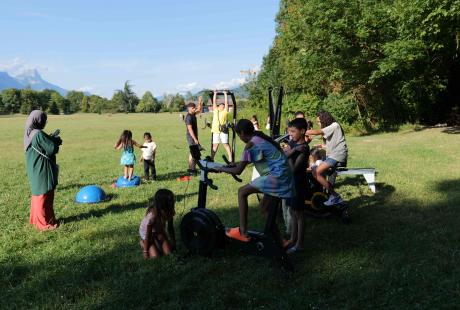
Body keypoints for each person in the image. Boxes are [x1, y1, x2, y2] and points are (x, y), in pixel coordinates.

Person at [215, 119, 295, 242]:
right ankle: (280, 241)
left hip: (277, 177)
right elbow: (249, 161)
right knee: (264, 207)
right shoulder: (260, 138)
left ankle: (243, 231)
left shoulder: (251, 145)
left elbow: (238, 171)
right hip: (284, 175)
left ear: (242, 133)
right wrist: (233, 165)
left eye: (238, 135)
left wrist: (221, 168)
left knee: (242, 192)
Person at [24, 110, 62, 230]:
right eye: (43, 119)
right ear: (39, 120)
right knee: (44, 195)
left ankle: (36, 220)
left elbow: (41, 145)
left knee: (37, 195)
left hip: (35, 168)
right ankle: (44, 224)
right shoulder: (38, 133)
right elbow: (51, 149)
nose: (44, 122)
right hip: (42, 169)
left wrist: (49, 138)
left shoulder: (29, 132)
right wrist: (56, 141)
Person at [306, 111, 348, 206]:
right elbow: (333, 143)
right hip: (333, 155)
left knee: (316, 172)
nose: (319, 124)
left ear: (325, 119)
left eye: (319, 121)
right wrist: (322, 145)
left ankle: (334, 196)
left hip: (337, 155)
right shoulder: (332, 127)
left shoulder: (335, 125)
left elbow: (317, 132)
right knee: (314, 170)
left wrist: (302, 131)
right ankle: (332, 195)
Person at [283, 118, 310, 254]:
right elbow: (285, 152)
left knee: (299, 213)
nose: (291, 134)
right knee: (293, 211)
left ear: (302, 131)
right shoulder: (293, 143)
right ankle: (293, 240)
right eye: (289, 131)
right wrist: (291, 151)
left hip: (298, 184)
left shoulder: (304, 149)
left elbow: (294, 169)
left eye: (293, 131)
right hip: (290, 183)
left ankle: (300, 244)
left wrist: (289, 153)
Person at [139, 189, 176, 259]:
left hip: (159, 231)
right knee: (155, 257)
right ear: (163, 206)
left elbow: (170, 228)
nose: (173, 203)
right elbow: (148, 236)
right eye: (171, 202)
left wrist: (173, 243)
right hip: (147, 234)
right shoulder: (153, 217)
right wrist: (145, 251)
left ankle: (157, 240)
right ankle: (142, 243)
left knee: (169, 253)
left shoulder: (170, 212)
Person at [210, 90, 232, 162]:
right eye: (220, 105)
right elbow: (214, 102)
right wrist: (215, 93)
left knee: (225, 144)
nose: (222, 106)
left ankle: (230, 158)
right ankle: (212, 158)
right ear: (218, 106)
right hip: (216, 131)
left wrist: (225, 94)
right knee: (215, 145)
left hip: (223, 130)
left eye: (223, 106)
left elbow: (226, 103)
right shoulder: (216, 110)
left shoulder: (225, 112)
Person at [185, 97, 203, 175]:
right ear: (189, 108)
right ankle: (192, 170)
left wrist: (199, 102)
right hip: (191, 137)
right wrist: (195, 139)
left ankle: (191, 168)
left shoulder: (193, 114)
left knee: (192, 153)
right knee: (194, 153)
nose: (194, 109)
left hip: (193, 137)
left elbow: (199, 110)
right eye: (193, 108)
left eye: (194, 108)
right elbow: (190, 129)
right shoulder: (188, 117)